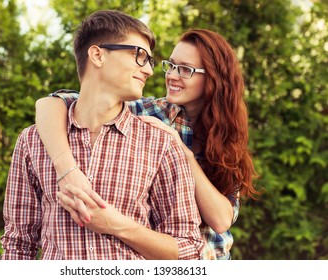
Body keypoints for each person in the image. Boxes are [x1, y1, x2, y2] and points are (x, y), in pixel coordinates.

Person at [35, 28, 260, 260]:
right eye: (170, 66)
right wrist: (67, 171)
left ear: (214, 78)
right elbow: (50, 105)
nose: (172, 76)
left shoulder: (228, 137)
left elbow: (221, 220)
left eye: (185, 70)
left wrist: (182, 151)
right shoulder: (148, 112)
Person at [0, 10, 203, 260]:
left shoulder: (160, 144)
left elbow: (189, 250)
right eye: (139, 56)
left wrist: (117, 224)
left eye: (150, 61)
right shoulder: (33, 141)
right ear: (98, 55)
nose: (149, 71)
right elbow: (18, 244)